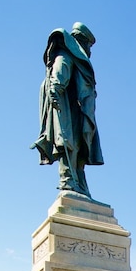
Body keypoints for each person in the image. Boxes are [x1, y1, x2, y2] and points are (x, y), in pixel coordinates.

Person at [33, 22, 104, 198]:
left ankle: (79, 184)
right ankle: (68, 182)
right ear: (82, 41)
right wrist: (55, 90)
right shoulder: (67, 55)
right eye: (89, 45)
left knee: (80, 149)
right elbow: (58, 73)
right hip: (67, 110)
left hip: (78, 112)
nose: (90, 51)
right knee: (67, 143)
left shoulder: (76, 59)